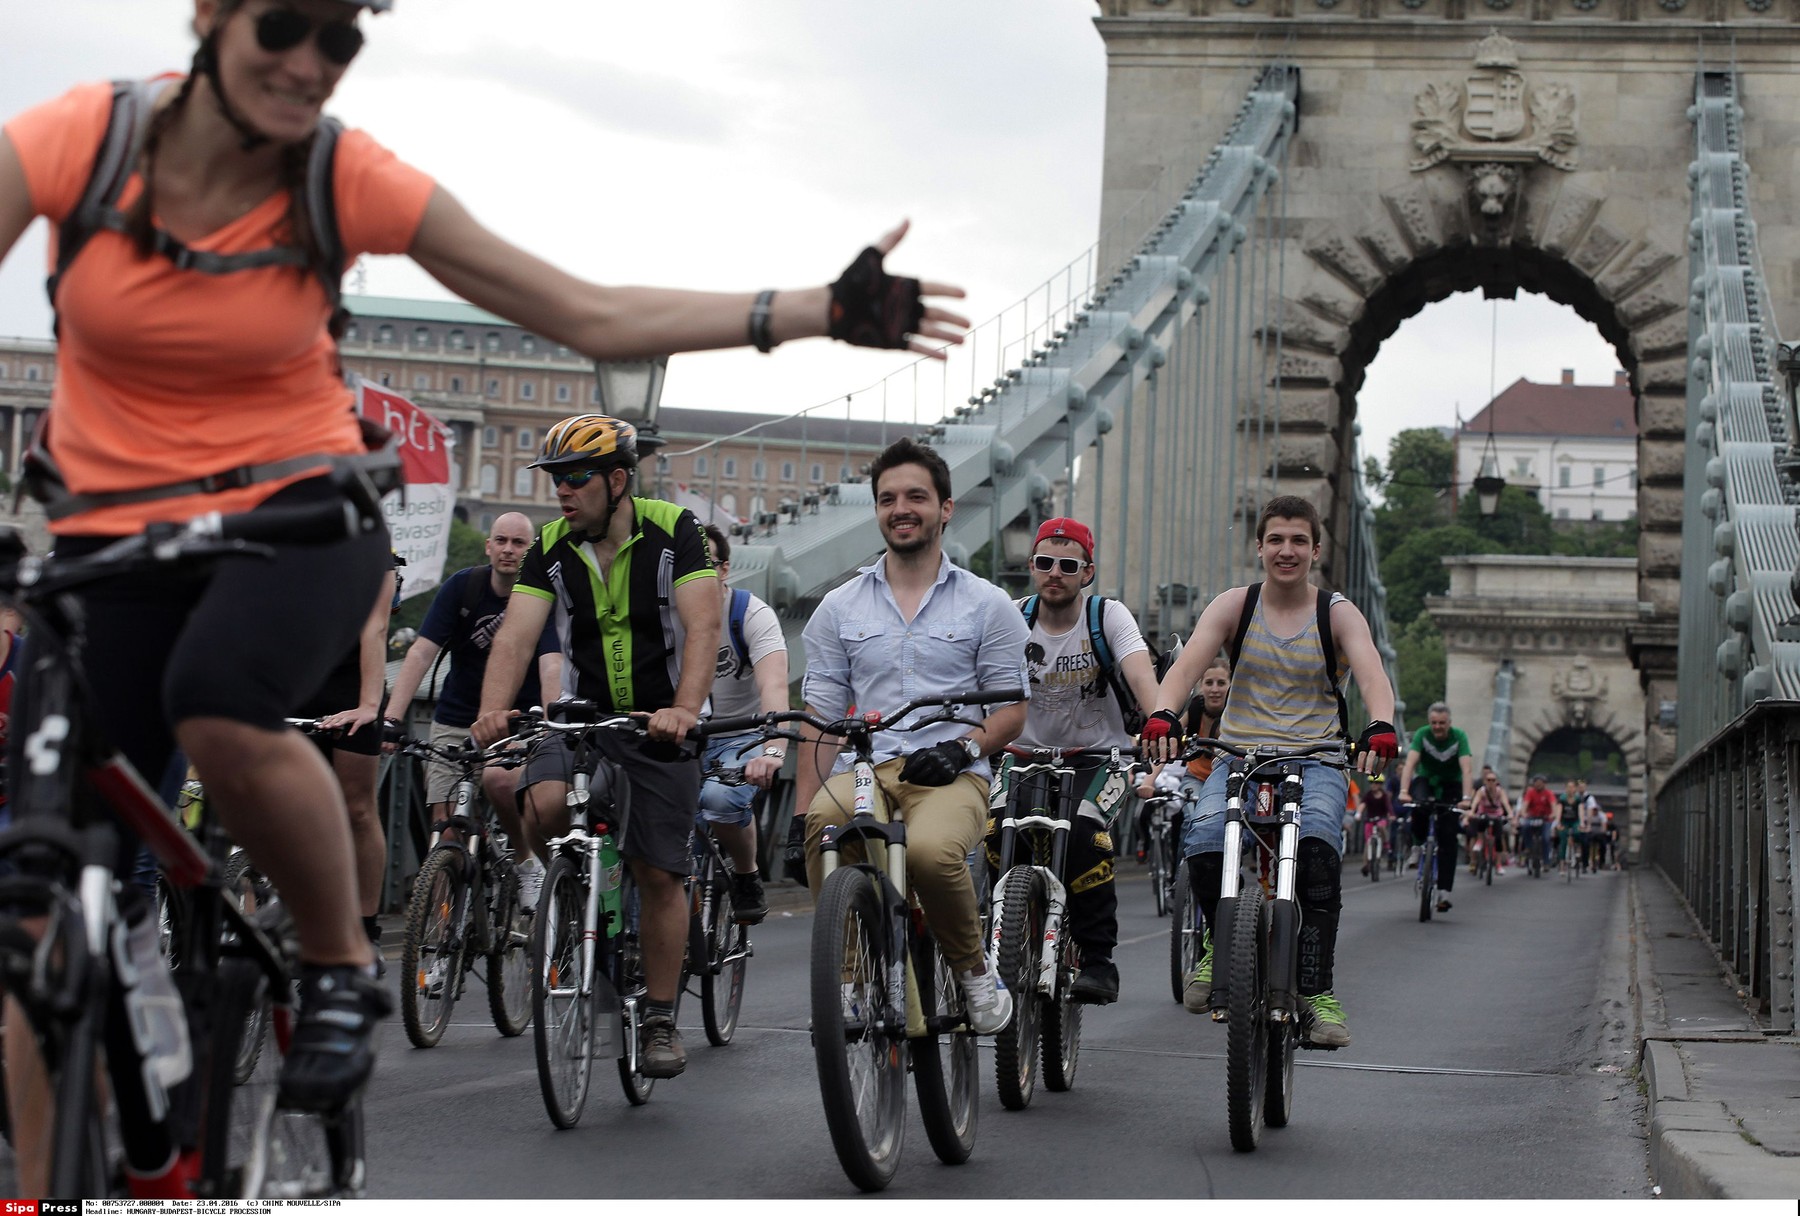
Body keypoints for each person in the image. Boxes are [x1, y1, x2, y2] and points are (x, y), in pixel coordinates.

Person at [0, 0, 969, 1193]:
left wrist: (815, 310)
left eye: (341, 40)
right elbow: (515, 646)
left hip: (296, 523)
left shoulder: (336, 173)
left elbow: (586, 313)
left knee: (213, 700)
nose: (311, 64)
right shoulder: (74, 142)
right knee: (38, 906)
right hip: (114, 546)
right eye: (283, 28)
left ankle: (340, 963)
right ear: (207, 16)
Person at [471, 416, 719, 1080]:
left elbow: (703, 626)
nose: (562, 493)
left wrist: (684, 711)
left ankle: (661, 1017)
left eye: (575, 478)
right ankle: (582, 899)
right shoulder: (549, 546)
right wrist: (492, 709)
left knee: (660, 872)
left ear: (617, 480)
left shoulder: (676, 531)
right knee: (545, 802)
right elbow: (516, 638)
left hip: (658, 721)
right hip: (582, 721)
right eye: (555, 480)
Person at [1143, 495, 1399, 1049]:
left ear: (1316, 550)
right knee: (1206, 845)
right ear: (1259, 547)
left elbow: (1374, 674)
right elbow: (1187, 668)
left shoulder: (1338, 612)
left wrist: (1380, 724)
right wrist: (1164, 713)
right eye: (1276, 540)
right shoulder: (1235, 605)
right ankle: (1217, 942)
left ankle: (1316, 991)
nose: (1287, 551)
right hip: (1240, 754)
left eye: (1299, 541)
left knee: (1315, 855)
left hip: (1318, 759)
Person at [793, 437, 1029, 1034]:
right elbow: (818, 721)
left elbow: (1010, 711)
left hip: (949, 773)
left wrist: (964, 747)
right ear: (876, 511)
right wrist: (800, 818)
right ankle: (849, 979)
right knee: (826, 827)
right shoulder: (837, 609)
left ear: (945, 508)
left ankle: (976, 974)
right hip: (866, 770)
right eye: (887, 498)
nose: (901, 508)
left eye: (916, 497)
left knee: (928, 853)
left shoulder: (989, 604)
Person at [988, 517, 1160, 1005]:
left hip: (1100, 756)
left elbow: (1141, 676)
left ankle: (1098, 958)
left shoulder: (1108, 617)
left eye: (1069, 564)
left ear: (1087, 572)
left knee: (1086, 833)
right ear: (1032, 567)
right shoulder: (1011, 618)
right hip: (1021, 755)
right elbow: (980, 687)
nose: (1055, 573)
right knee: (995, 830)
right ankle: (1004, 928)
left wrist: (1160, 722)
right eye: (1045, 563)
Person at [386, 513, 562, 909]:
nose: (508, 550)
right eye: (501, 540)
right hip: (456, 717)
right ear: (488, 545)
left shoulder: (540, 595)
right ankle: (441, 933)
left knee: (500, 783)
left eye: (518, 543)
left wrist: (553, 724)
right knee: (445, 830)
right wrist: (392, 720)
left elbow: (551, 663)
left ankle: (524, 861)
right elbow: (420, 653)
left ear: (529, 551)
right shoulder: (462, 588)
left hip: (520, 721)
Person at [292, 561, 398, 971]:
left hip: (350, 682)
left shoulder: (366, 541)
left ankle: (365, 927)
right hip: (296, 676)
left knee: (357, 808)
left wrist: (370, 704)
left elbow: (375, 627)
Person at [696, 524, 789, 925]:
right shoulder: (664, 616)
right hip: (683, 737)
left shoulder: (750, 614)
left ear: (725, 569)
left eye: (706, 565)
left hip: (742, 735)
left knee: (720, 800)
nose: (696, 576)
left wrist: (771, 751)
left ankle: (746, 871)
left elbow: (774, 684)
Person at [1137, 657, 1229, 855]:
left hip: (1227, 780)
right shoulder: (1195, 709)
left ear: (1231, 685)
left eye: (1221, 683)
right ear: (1200, 685)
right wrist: (1149, 780)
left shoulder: (1235, 712)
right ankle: (1181, 878)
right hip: (1196, 779)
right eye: (1209, 683)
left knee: (1228, 826)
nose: (1215, 689)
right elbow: (1166, 744)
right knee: (1193, 821)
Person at [1397, 702, 1474, 912]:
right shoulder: (1422, 734)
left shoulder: (1459, 737)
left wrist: (1467, 798)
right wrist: (1404, 791)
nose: (1437, 727)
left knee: (1448, 834)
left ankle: (1444, 892)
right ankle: (1417, 844)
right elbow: (1410, 764)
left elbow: (1466, 769)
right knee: (1418, 805)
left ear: (1449, 723)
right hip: (1427, 779)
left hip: (1452, 784)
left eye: (1442, 723)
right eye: (1433, 723)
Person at [1469, 765, 1511, 875]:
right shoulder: (1481, 791)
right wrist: (1472, 811)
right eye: (1488, 780)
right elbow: (1475, 803)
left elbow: (1505, 803)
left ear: (1496, 781)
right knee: (1481, 821)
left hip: (1496, 814)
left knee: (1498, 838)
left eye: (1493, 780)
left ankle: (1498, 865)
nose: (1491, 782)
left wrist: (1510, 814)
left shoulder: (1499, 791)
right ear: (1485, 781)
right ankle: (1480, 840)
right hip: (1484, 813)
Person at [1519, 773, 1556, 871]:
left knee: (1546, 838)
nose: (1538, 784)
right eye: (1536, 782)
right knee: (1525, 827)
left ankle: (1546, 861)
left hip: (1545, 819)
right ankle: (1528, 847)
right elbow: (1525, 805)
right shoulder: (1530, 793)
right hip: (1532, 817)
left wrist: (1553, 814)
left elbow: (1553, 805)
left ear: (1544, 784)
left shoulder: (1549, 793)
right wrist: (1523, 813)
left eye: (1540, 783)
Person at [1360, 773, 1394, 876]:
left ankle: (1386, 843)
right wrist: (1358, 813)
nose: (1373, 785)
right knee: (1368, 842)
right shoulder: (1368, 795)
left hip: (1381, 819)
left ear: (1380, 785)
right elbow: (1362, 805)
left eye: (1376, 783)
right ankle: (1366, 865)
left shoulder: (1384, 796)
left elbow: (1388, 808)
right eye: (1371, 783)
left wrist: (1391, 815)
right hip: (1370, 820)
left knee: (1381, 826)